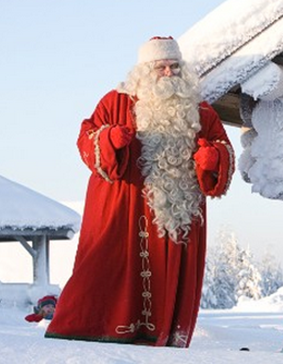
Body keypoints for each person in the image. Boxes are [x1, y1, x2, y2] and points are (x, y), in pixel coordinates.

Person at [45, 37, 234, 347]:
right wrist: (108, 139)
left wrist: (213, 158)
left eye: (175, 67)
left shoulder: (200, 111)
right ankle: (85, 335)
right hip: (124, 210)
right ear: (145, 71)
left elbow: (224, 150)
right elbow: (86, 138)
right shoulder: (115, 102)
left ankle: (160, 339)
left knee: (165, 280)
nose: (170, 74)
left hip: (177, 215)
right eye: (162, 67)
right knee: (106, 269)